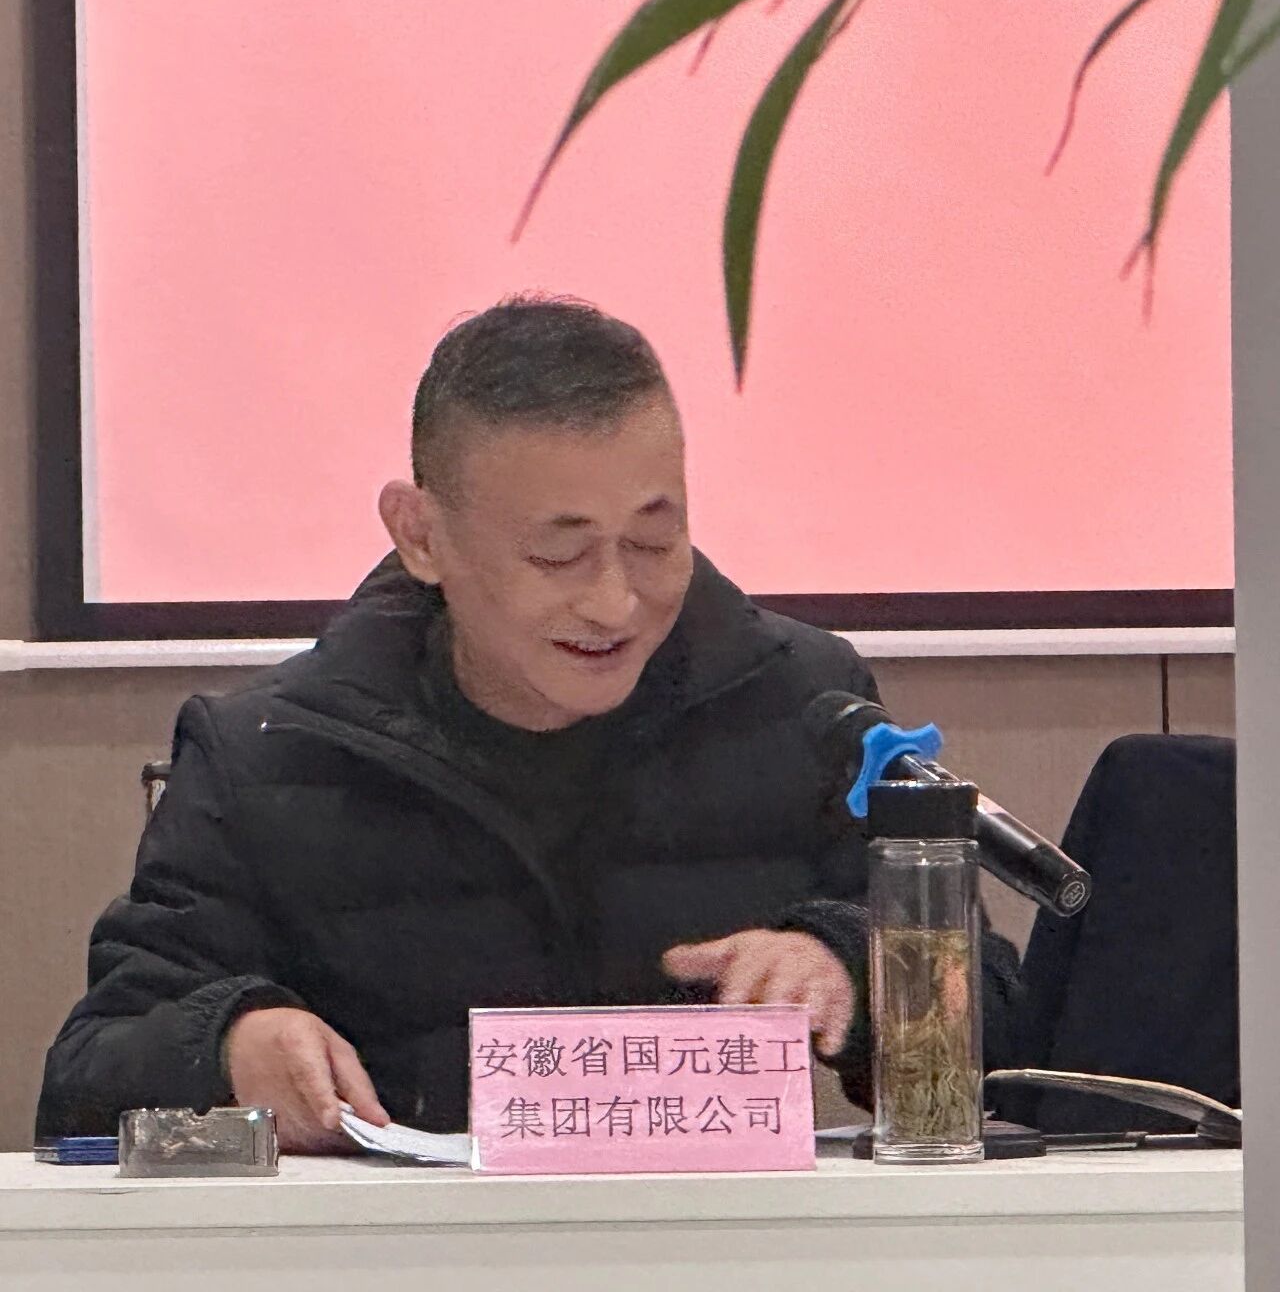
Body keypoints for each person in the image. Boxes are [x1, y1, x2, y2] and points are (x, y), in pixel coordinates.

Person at [36, 297, 1021, 1152]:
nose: (615, 601)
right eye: (559, 555)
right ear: (422, 535)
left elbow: (1003, 1020)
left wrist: (850, 964)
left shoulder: (803, 703)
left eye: (653, 540)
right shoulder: (274, 753)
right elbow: (86, 1073)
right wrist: (227, 1044)